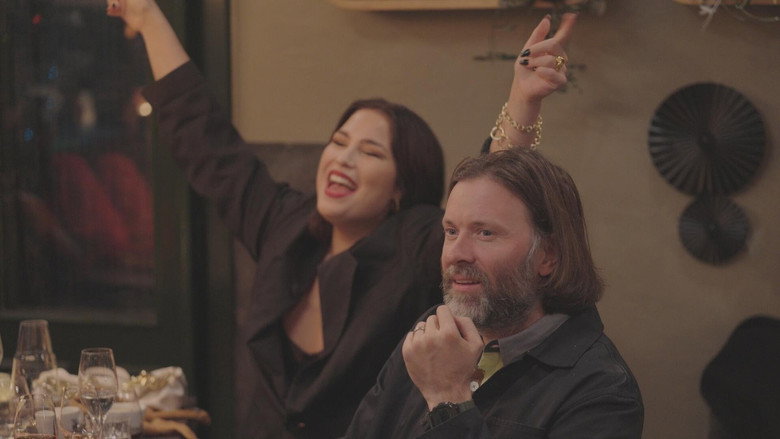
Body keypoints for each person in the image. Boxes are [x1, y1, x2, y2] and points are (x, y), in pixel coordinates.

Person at [107, 0, 574, 436]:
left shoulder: (414, 246)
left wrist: (523, 99)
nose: (342, 160)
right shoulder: (287, 226)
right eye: (338, 142)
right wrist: (148, 17)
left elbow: (487, 195)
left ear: (400, 187)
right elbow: (206, 140)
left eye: (369, 152)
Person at [344, 148, 644, 438]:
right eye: (451, 231)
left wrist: (449, 399)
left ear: (548, 255)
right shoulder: (433, 333)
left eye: (485, 233)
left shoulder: (603, 390)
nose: (456, 254)